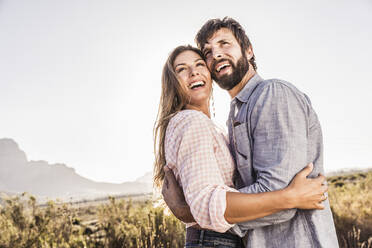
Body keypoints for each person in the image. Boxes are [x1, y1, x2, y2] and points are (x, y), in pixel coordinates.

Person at [162, 17, 340, 247]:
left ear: (248, 50)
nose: (215, 54)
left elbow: (281, 193)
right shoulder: (233, 118)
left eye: (224, 44)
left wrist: (192, 213)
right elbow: (281, 196)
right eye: (207, 52)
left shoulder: (273, 95)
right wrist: (198, 210)